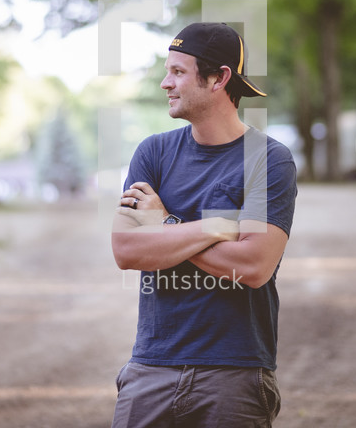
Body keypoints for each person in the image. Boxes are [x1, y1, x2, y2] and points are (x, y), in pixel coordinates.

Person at [111, 22, 298, 428]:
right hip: (151, 368)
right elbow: (128, 251)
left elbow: (252, 266)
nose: (165, 83)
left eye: (178, 72)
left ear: (219, 78)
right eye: (167, 71)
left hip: (235, 373)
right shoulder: (153, 154)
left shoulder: (269, 159)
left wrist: (165, 225)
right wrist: (221, 225)